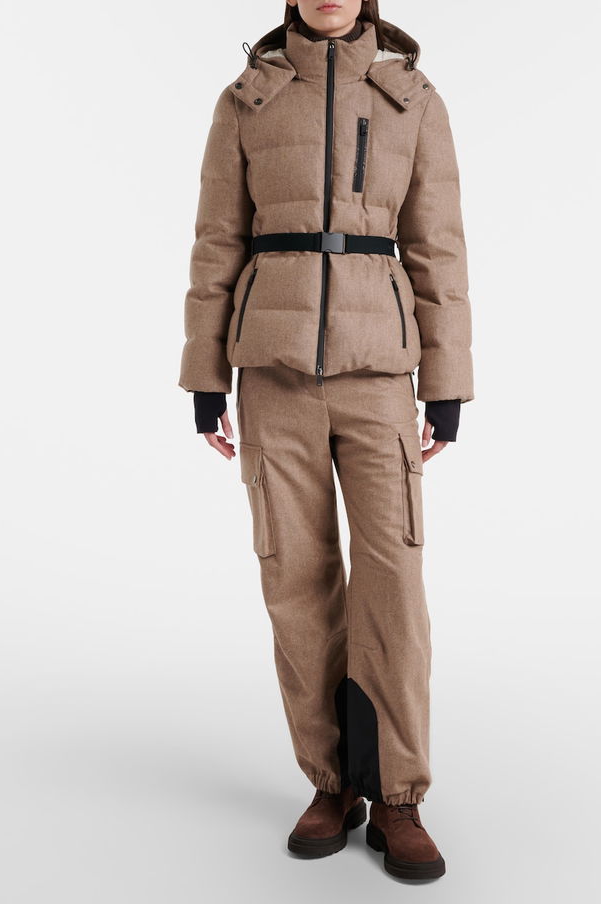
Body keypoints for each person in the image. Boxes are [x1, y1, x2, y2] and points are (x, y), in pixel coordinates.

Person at [179, 0, 473, 882]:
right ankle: (331, 783)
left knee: (393, 582)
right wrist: (205, 376)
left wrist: (446, 384)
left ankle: (399, 797)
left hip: (380, 373)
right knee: (295, 581)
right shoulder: (248, 98)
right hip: (271, 374)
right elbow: (216, 243)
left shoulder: (413, 97)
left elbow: (439, 249)